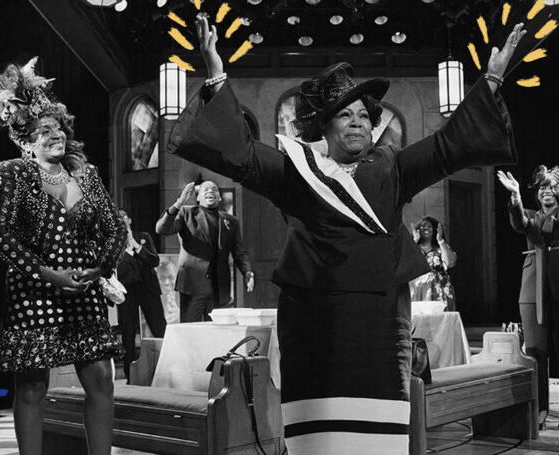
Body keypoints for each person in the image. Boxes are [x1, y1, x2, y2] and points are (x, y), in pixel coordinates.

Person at [165, 14, 525, 453]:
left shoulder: (394, 166)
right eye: (344, 114)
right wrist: (216, 73)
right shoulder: (297, 170)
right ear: (325, 126)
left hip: (380, 319)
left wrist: (492, 79)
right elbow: (241, 154)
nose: (356, 122)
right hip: (312, 319)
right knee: (319, 437)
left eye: (363, 116)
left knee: (378, 435)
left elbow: (448, 146)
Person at [0, 57, 125, 455]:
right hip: (34, 293)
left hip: (84, 292)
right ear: (25, 142)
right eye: (44, 130)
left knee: (102, 380)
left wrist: (100, 268)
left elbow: (115, 227)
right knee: (31, 386)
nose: (56, 133)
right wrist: (46, 273)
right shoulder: (12, 173)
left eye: (58, 126)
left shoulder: (86, 174)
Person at [497, 165, 559, 433]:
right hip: (532, 288)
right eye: (543, 187)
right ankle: (540, 407)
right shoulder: (530, 216)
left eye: (552, 187)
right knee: (536, 352)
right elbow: (518, 223)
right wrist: (515, 196)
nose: (547, 191)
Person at [156, 180, 254, 322]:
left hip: (219, 288)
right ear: (198, 197)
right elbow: (161, 229)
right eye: (205, 189)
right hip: (192, 285)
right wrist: (178, 203)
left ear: (219, 197)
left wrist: (247, 271)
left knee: (217, 330)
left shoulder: (231, 221)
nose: (210, 191)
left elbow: (239, 252)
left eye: (214, 189)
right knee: (191, 330)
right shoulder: (186, 213)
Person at [116, 209, 166, 382]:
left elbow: (154, 261)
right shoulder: (111, 241)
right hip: (126, 292)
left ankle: (167, 370)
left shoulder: (144, 236)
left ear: (129, 220)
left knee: (160, 329)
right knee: (128, 335)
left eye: (123, 216)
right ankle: (131, 376)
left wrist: (137, 247)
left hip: (148, 290)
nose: (121, 219)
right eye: (117, 216)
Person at [409, 216, 457, 310]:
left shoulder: (440, 247)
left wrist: (440, 241)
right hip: (418, 290)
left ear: (435, 229)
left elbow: (450, 263)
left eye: (429, 226)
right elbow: (404, 261)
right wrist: (415, 240)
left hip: (438, 290)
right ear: (419, 229)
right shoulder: (414, 247)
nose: (426, 228)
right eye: (423, 226)